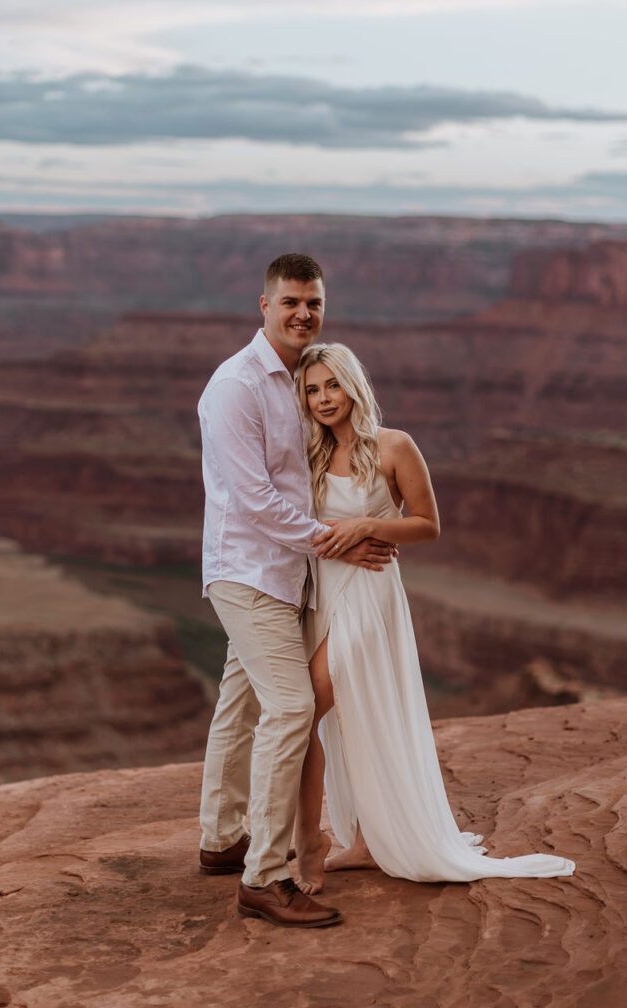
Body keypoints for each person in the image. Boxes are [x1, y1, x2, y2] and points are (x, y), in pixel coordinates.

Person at [292, 342, 576, 894]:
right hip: (323, 593)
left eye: (331, 384)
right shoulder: (310, 454)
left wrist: (368, 529)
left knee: (307, 705)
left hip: (370, 595)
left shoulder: (394, 445)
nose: (324, 398)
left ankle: (314, 841)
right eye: (311, 390)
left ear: (352, 385)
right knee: (345, 717)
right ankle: (366, 842)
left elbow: (427, 524)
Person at [196, 255, 394, 928]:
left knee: (241, 701)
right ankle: (264, 875)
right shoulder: (237, 385)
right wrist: (338, 540)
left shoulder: (299, 378)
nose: (303, 314)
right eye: (290, 303)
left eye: (313, 303)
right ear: (264, 305)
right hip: (249, 571)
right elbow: (253, 503)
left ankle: (222, 841)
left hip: (289, 576)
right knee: (291, 707)